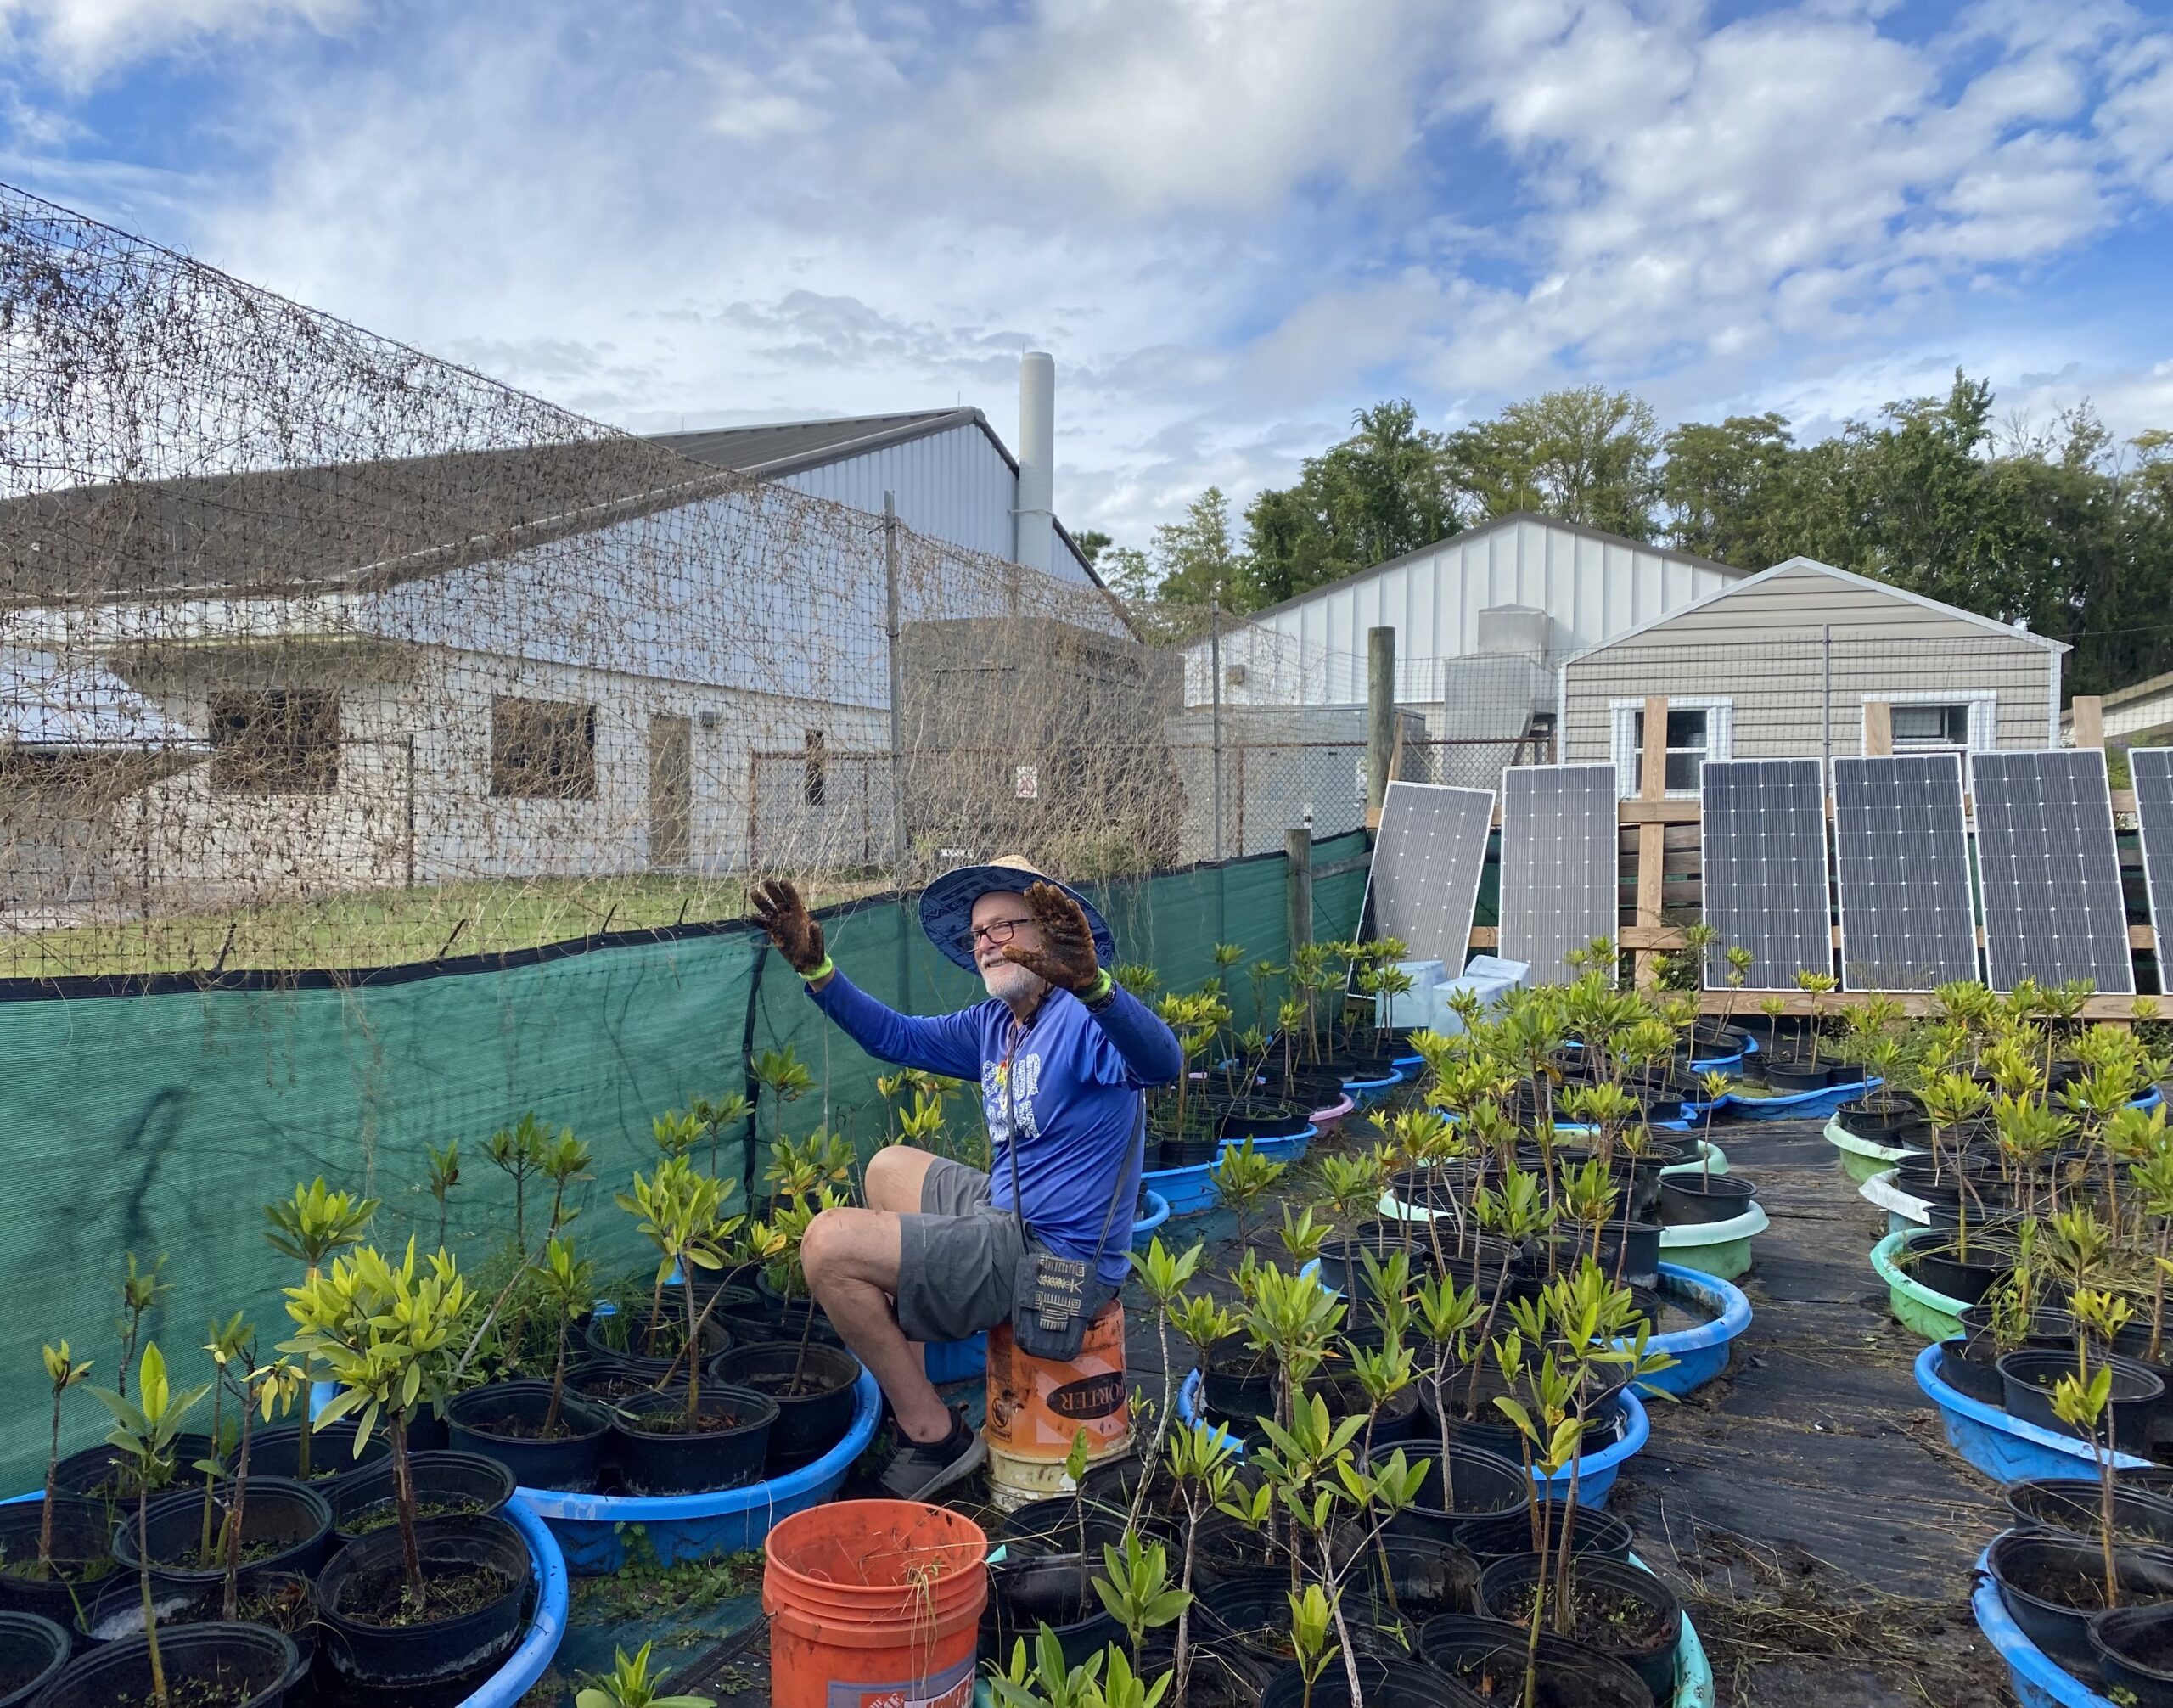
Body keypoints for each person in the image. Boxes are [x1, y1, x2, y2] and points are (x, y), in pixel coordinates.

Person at [750, 856, 1182, 1499]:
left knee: (827, 1246)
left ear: (1051, 935)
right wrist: (819, 972)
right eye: (977, 934)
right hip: (1002, 1216)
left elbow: (1162, 1062)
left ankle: (931, 1435)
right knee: (887, 1167)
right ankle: (913, 1390)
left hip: (1055, 1258)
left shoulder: (1083, 1018)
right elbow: (894, 1037)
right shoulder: (995, 1026)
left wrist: (1097, 988)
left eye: (1004, 927)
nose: (985, 944)